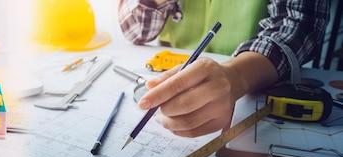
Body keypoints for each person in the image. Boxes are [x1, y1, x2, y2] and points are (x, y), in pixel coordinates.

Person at [118, 0, 330, 137]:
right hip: (170, 67)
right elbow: (135, 31)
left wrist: (237, 76)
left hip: (255, 78)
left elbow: (301, 24)